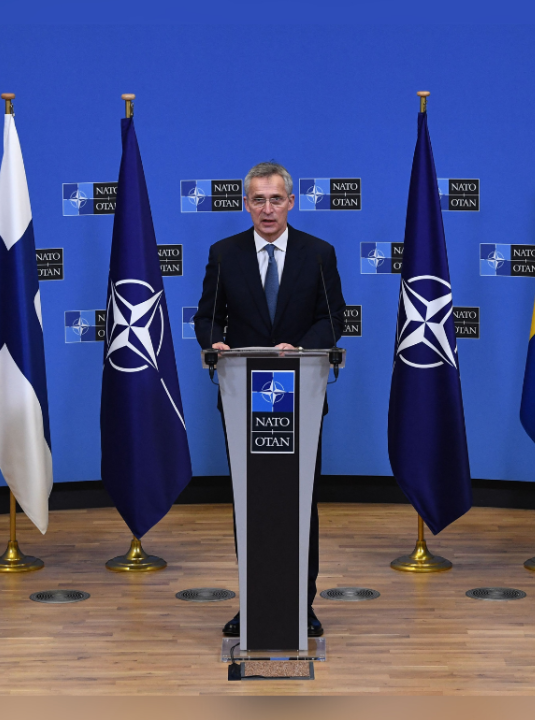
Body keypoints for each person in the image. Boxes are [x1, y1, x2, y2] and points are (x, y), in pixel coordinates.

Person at [194, 162, 345, 638]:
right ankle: (253, 603)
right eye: (257, 200)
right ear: (246, 204)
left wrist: (302, 349)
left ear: (290, 202)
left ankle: (304, 604)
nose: (267, 209)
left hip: (303, 394)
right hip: (244, 400)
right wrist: (215, 342)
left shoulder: (318, 253)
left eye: (275, 199)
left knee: (302, 501)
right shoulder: (225, 253)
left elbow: (332, 317)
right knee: (250, 501)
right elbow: (207, 317)